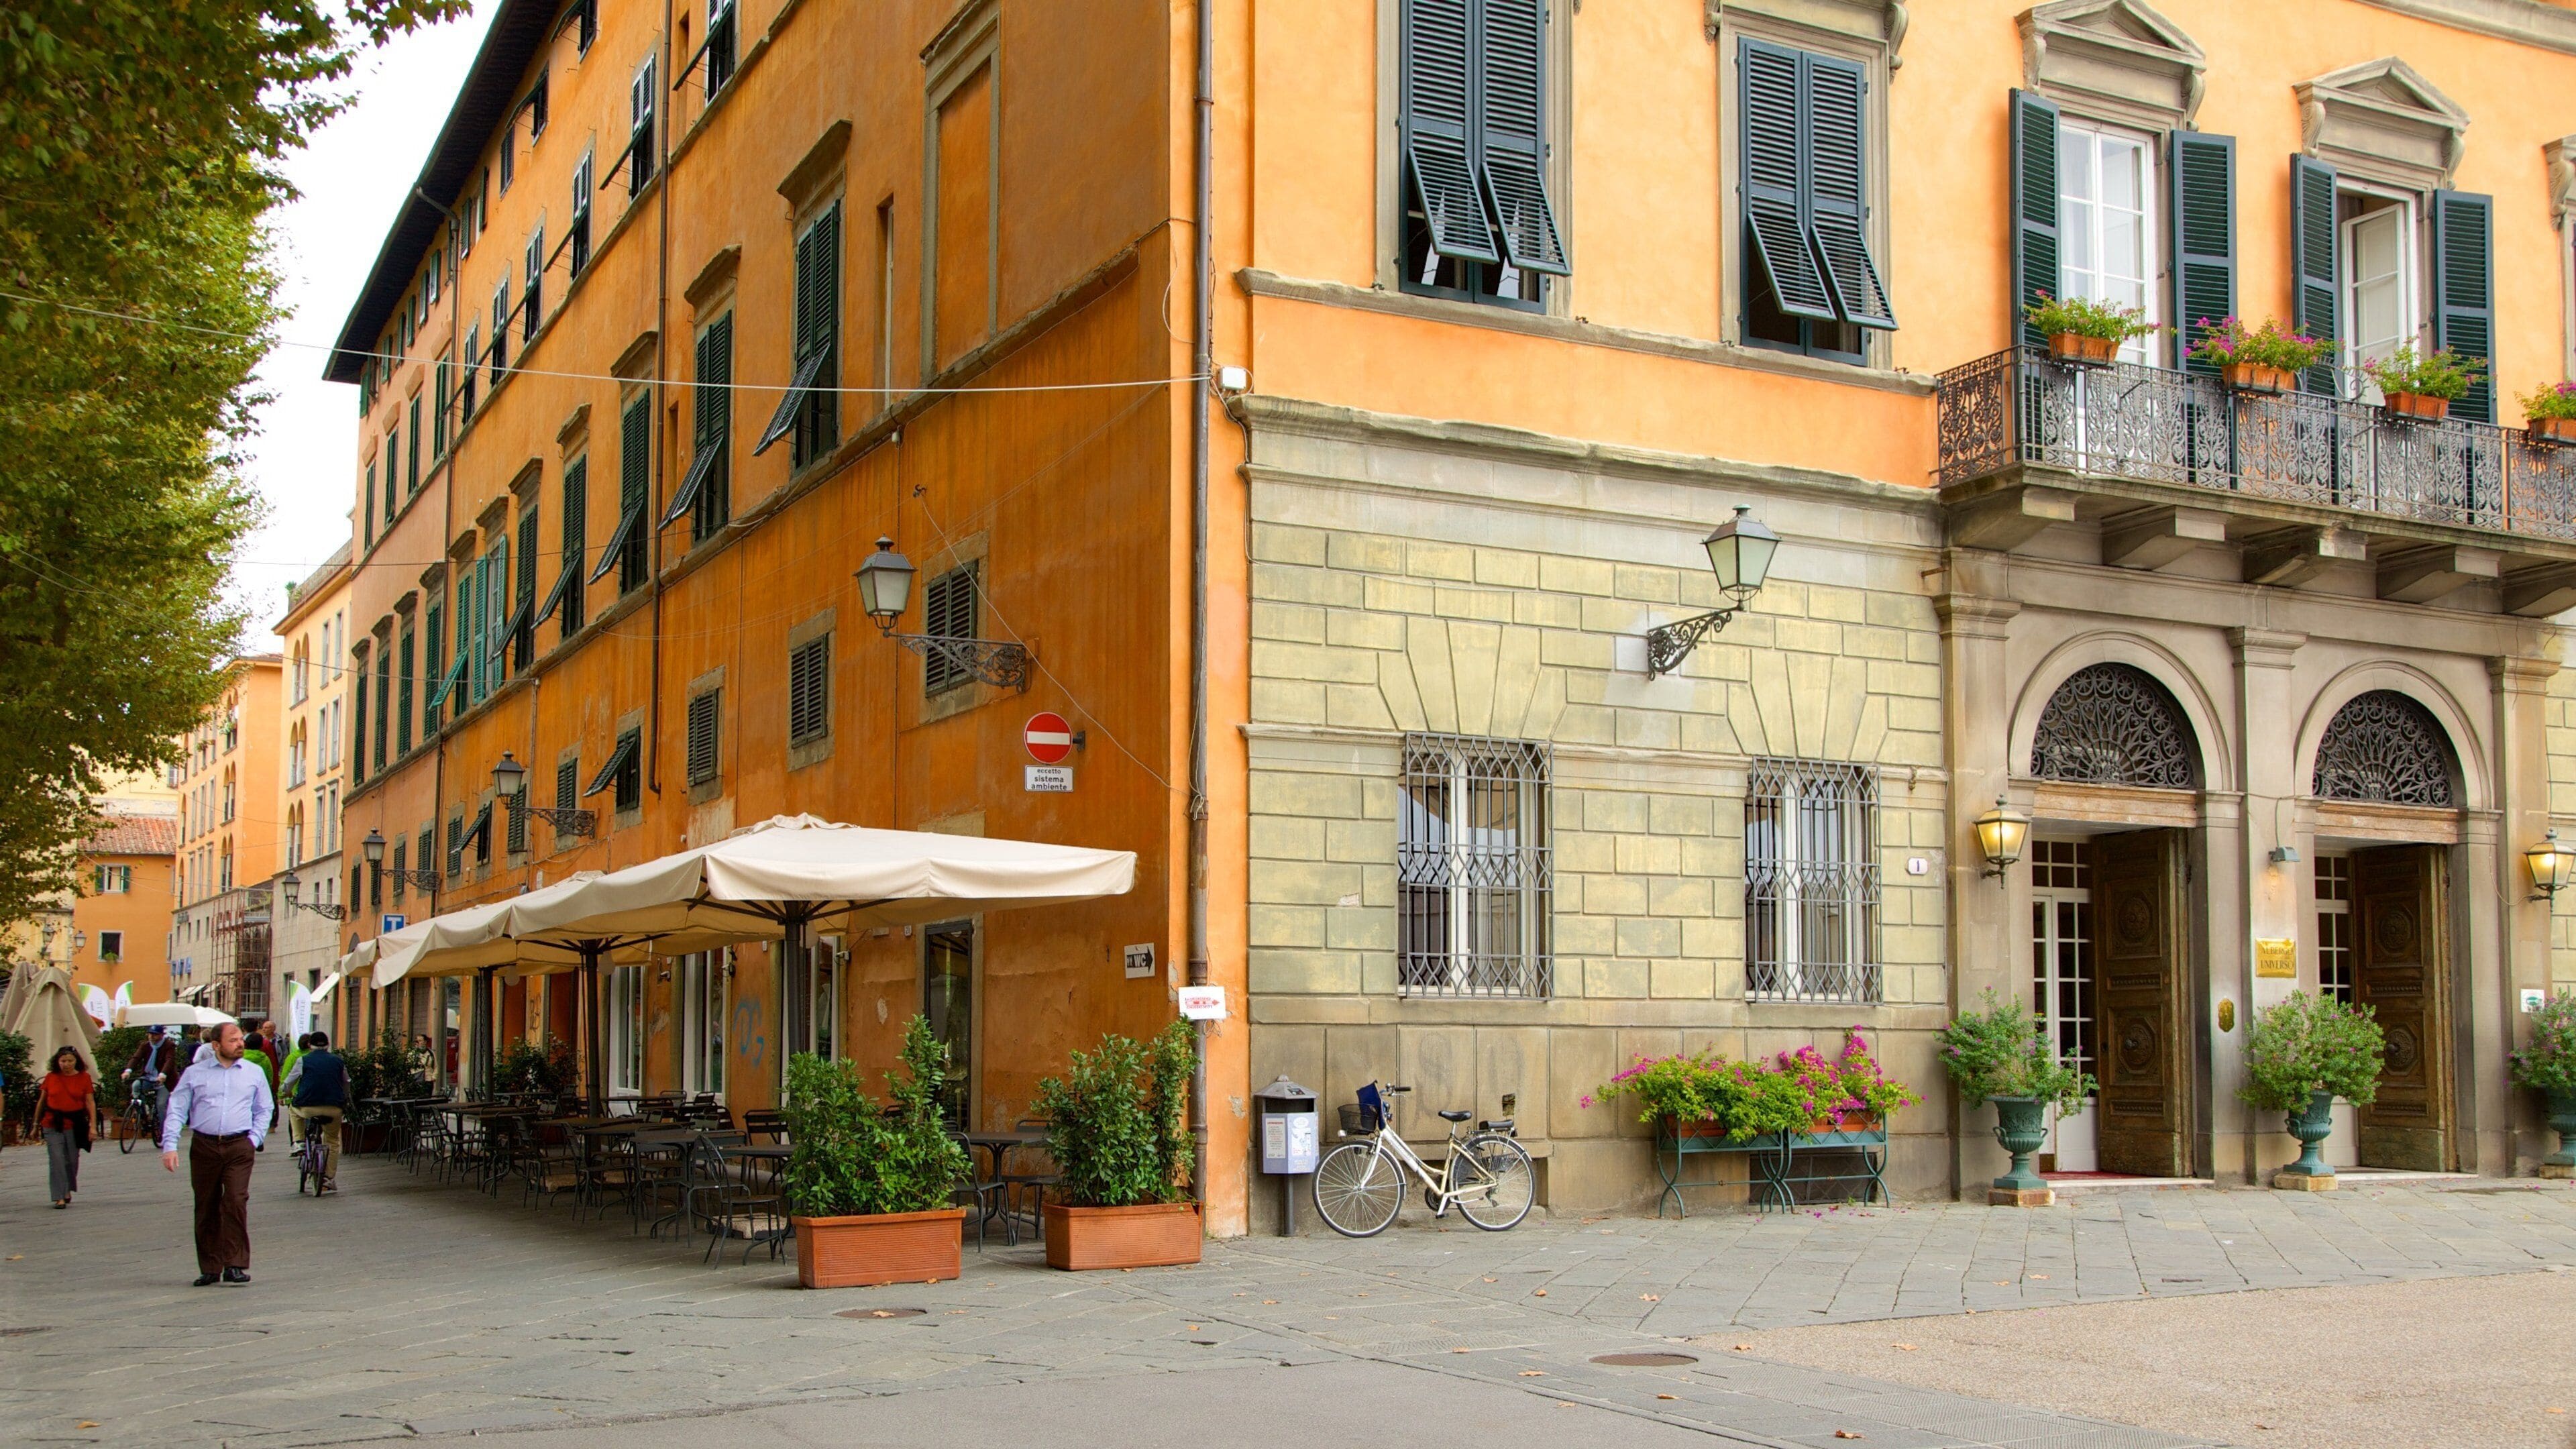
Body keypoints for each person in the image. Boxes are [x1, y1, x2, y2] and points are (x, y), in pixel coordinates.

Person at [160, 1020, 273, 1286]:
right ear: (216, 1045)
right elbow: (177, 1108)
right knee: (206, 1204)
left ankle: (235, 1264)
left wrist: (254, 1139)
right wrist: (170, 1145)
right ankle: (210, 1266)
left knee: (236, 1200)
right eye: (233, 1040)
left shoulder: (253, 1072)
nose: (240, 1044)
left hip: (239, 1145)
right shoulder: (195, 1073)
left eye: (241, 1039)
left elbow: (264, 1108)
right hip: (205, 1146)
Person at [282, 1032, 348, 1194]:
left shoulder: (303, 1060)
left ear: (309, 1045)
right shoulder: (338, 1061)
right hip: (333, 1108)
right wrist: (345, 1098)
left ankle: (299, 1141)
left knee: (293, 1110)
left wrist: (286, 1092)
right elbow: (346, 1082)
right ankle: (329, 1178)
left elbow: (289, 1082)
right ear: (328, 1045)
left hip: (308, 1107)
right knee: (332, 1140)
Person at [38, 1046, 99, 1209]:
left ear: (76, 1061)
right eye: (63, 1061)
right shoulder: (51, 1077)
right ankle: (59, 1196)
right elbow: (42, 1101)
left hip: (75, 1123)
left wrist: (93, 1126)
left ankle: (67, 1189)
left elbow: (90, 1102)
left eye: (70, 1061)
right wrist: (35, 1124)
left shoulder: (84, 1078)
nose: (67, 1064)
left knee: (72, 1159)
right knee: (57, 1159)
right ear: (57, 1062)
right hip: (52, 1123)